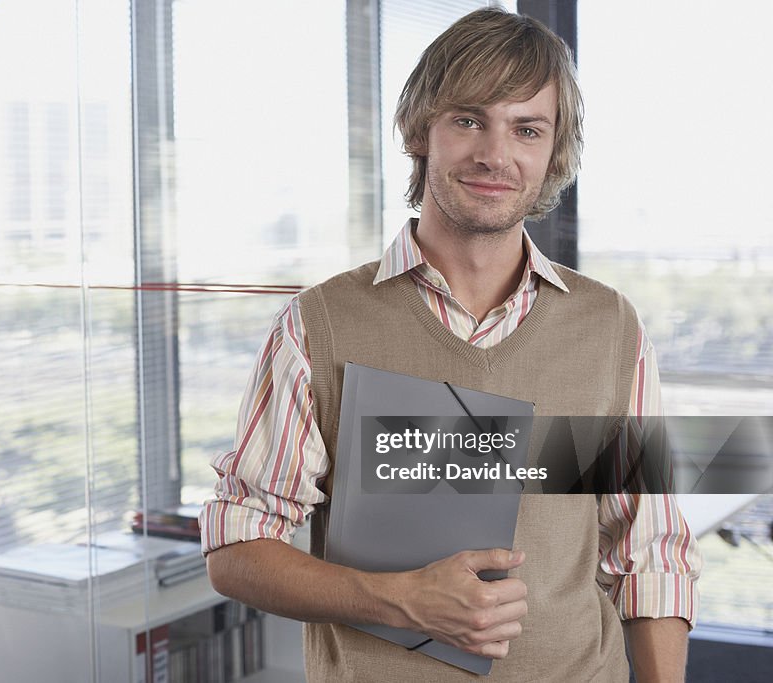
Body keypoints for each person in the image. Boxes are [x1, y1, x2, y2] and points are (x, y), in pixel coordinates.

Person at [201, 7, 700, 682]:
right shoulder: (318, 324)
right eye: (469, 119)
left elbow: (652, 555)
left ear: (553, 152)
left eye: (527, 129)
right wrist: (401, 599)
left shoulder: (611, 329)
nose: (496, 155)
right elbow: (237, 547)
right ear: (420, 130)